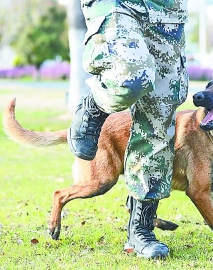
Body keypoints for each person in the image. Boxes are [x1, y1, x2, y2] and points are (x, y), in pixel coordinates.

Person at [69, 0, 188, 259]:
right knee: (130, 78)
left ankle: (141, 229)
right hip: (117, 4)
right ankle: (95, 105)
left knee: (160, 115)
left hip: (166, 10)